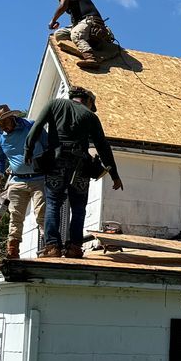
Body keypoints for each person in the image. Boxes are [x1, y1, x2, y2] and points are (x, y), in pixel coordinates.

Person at [25, 86, 123, 258]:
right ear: (88, 101)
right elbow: (103, 148)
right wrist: (115, 176)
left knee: (53, 204)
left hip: (56, 162)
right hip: (81, 166)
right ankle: (75, 247)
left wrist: (28, 150)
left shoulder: (54, 104)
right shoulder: (90, 116)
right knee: (78, 208)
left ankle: (52, 247)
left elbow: (36, 127)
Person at [0, 104, 47, 260]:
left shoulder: (30, 126)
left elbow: (48, 146)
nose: (3, 127)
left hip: (39, 177)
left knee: (41, 214)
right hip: (17, 180)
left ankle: (48, 246)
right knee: (15, 216)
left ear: (11, 117)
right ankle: (13, 249)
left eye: (4, 123)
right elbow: (0, 157)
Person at [46, 0, 120, 63]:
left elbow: (63, 6)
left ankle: (90, 57)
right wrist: (56, 21)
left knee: (76, 35)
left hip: (90, 20)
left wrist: (53, 20)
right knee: (59, 34)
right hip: (79, 24)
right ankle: (88, 43)